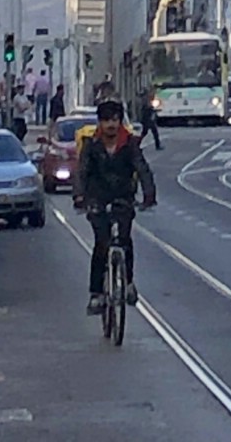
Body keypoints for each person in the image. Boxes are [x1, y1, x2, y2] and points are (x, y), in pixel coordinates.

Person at [74, 99, 156, 316]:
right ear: (100, 123)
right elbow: (82, 171)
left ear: (120, 122)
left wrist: (149, 194)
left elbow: (142, 169)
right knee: (101, 243)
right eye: (106, 120)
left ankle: (128, 283)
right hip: (97, 198)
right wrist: (80, 196)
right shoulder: (91, 145)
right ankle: (96, 294)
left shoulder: (129, 144)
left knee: (125, 239)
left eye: (114, 120)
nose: (111, 125)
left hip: (123, 196)